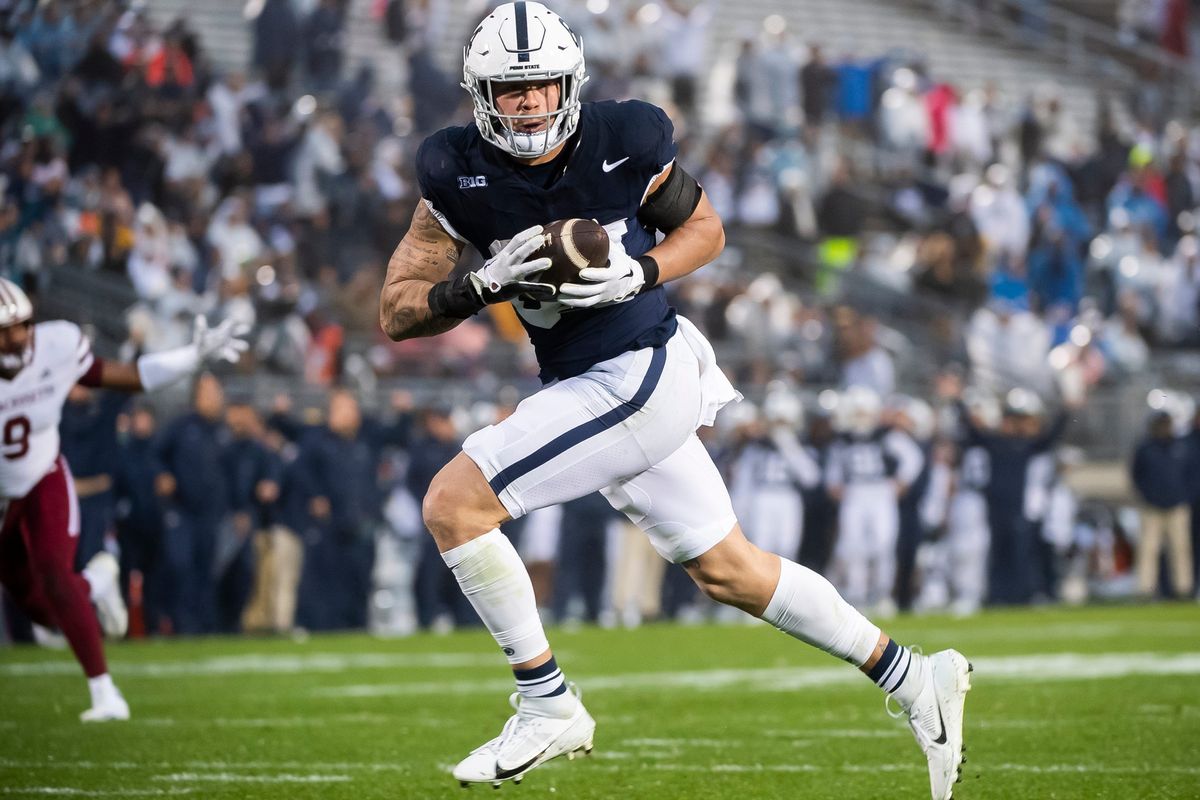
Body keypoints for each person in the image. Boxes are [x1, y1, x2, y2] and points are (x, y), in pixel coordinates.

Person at [377, 5, 970, 796]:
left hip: (641, 367)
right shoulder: (455, 169)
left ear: (571, 83)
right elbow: (397, 310)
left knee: (456, 503)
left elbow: (707, 228)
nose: (526, 105)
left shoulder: (624, 138)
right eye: (509, 91)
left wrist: (641, 272)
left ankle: (546, 701)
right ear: (480, 94)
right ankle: (912, 676)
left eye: (541, 86)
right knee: (730, 570)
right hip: (586, 379)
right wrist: (479, 285)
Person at [0, 277, 246, 721]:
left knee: (56, 577)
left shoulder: (55, 347)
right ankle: (97, 582)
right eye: (5, 331)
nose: (17, 338)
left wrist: (191, 358)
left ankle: (105, 693)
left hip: (41, 477)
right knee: (36, 607)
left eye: (22, 325)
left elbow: (127, 377)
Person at [1130, 410, 1193, 599]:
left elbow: (1191, 475)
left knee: (1181, 548)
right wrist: (1147, 496)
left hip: (1177, 506)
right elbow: (1136, 475)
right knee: (1148, 549)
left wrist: (1185, 496)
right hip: (1152, 507)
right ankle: (1145, 589)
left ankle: (1183, 589)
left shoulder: (1181, 446)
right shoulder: (1145, 447)